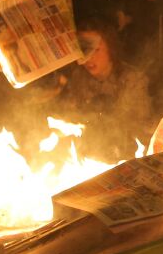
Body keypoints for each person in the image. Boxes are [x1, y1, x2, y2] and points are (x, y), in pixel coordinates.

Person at [55, 22, 154, 159]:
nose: (89, 57)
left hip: (124, 154)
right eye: (84, 50)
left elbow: (138, 125)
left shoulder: (133, 79)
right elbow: (70, 117)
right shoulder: (78, 78)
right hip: (88, 154)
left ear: (110, 49)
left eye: (96, 50)